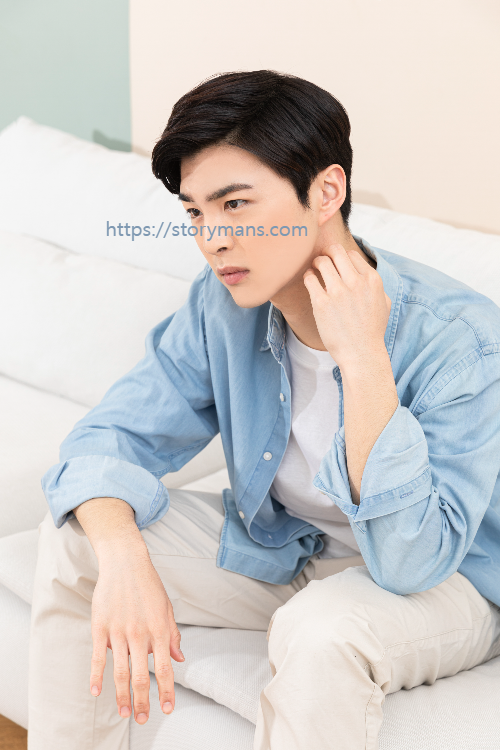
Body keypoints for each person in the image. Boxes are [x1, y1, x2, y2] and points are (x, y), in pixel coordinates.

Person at [29, 70, 500, 750]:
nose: (213, 239)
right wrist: (124, 559)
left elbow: (410, 561)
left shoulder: (462, 342)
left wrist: (364, 360)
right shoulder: (222, 305)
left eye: (236, 204)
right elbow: (109, 439)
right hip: (292, 545)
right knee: (82, 540)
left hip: (448, 578)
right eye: (196, 213)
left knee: (321, 629)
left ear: (326, 191)